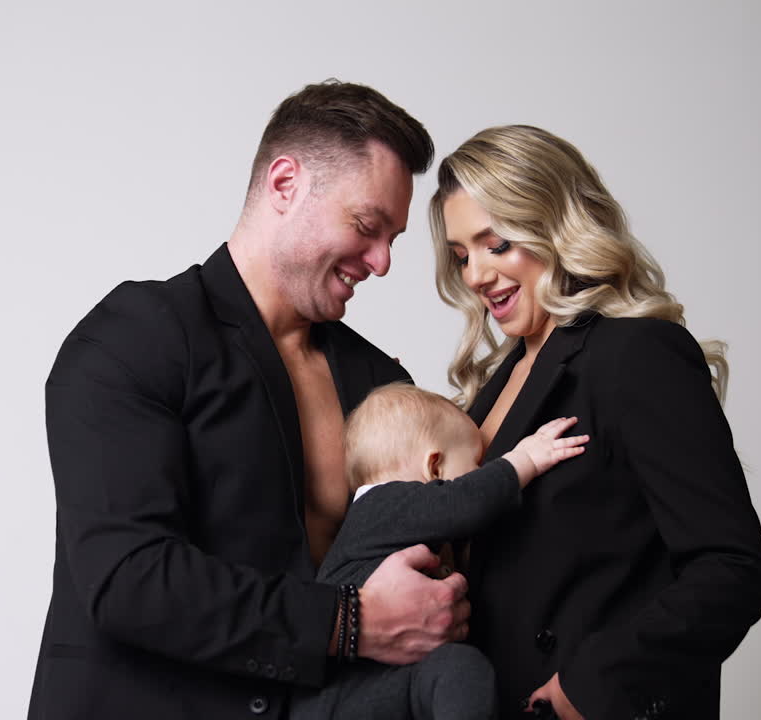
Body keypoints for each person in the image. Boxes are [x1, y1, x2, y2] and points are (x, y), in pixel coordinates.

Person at [28, 81, 470, 720]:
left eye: (392, 239)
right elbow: (128, 580)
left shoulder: (378, 381)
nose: (381, 263)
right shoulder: (136, 334)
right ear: (285, 184)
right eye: (367, 226)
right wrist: (350, 622)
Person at [429, 125, 761, 720]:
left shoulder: (636, 353)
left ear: (556, 226)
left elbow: (732, 567)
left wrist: (591, 689)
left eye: (498, 244)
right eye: (462, 255)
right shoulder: (490, 385)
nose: (477, 275)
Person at [291, 382, 589, 720]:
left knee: (449, 673)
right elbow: (465, 503)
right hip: (346, 692)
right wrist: (524, 460)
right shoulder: (384, 504)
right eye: (476, 463)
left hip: (377, 685)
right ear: (434, 468)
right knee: (462, 670)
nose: (480, 472)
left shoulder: (376, 520)